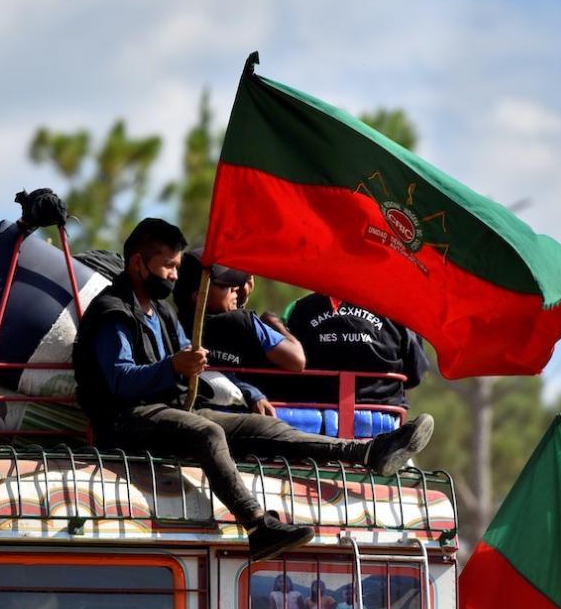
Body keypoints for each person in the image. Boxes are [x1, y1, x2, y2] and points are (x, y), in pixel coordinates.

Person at [72, 218, 435, 562]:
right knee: (207, 432)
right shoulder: (113, 312)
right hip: (123, 419)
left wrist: (246, 390)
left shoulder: (161, 312)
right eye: (167, 266)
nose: (174, 275)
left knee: (261, 427)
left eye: (177, 266)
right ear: (138, 263)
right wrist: (173, 367)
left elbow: (199, 365)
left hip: (168, 409)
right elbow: (120, 380)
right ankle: (258, 526)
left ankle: (366, 453)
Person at [173, 250, 305, 415]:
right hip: (249, 413)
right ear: (198, 296)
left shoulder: (172, 324)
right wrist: (273, 321)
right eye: (225, 284)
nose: (235, 288)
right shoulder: (244, 321)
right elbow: (296, 360)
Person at [284, 294, 429, 409]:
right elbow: (416, 374)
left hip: (311, 416)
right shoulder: (398, 312)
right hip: (383, 414)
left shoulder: (300, 308)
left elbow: (284, 361)